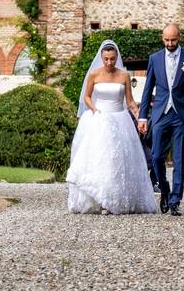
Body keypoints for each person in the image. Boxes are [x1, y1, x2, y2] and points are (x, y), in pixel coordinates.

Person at [66, 40, 158, 214]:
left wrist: (140, 118)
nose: (109, 62)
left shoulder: (124, 76)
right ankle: (97, 198)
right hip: (98, 119)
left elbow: (130, 102)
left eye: (112, 59)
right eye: (106, 59)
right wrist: (93, 107)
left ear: (117, 58)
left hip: (119, 120)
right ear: (102, 57)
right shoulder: (94, 74)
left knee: (116, 160)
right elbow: (86, 97)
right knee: (98, 158)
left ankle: (112, 199)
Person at [138, 23, 184, 216]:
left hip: (181, 115)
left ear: (179, 38)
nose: (170, 43)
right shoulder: (154, 58)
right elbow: (147, 89)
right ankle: (165, 190)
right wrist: (143, 116)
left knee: (179, 158)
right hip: (159, 114)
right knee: (157, 156)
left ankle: (175, 200)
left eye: (173, 40)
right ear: (162, 38)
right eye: (167, 40)